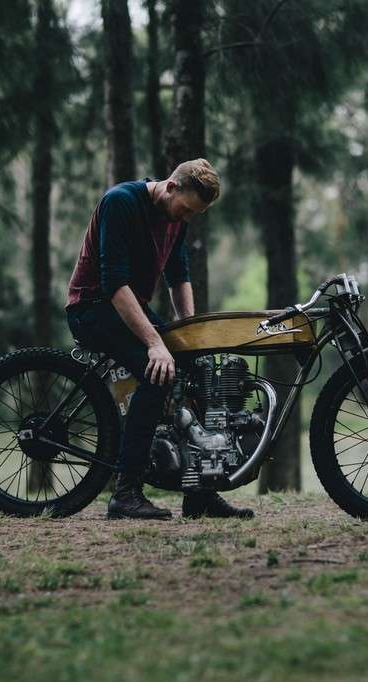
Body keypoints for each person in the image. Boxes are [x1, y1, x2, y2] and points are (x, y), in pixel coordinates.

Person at [65, 159, 253, 521]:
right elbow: (114, 284)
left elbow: (179, 276)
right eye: (185, 209)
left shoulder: (175, 220)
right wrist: (155, 344)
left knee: (196, 367)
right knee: (157, 372)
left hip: (128, 307)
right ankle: (125, 494)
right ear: (171, 187)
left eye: (194, 214)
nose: (186, 218)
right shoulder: (121, 202)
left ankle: (199, 492)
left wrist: (189, 329)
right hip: (92, 308)